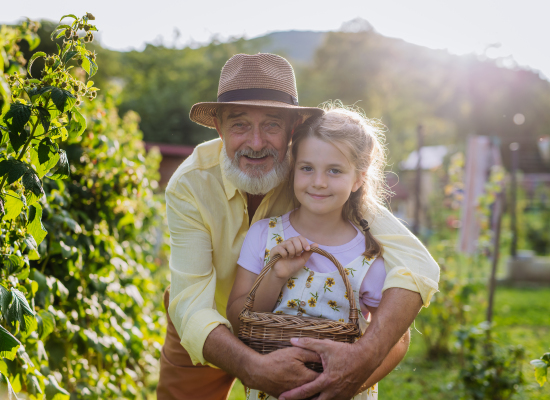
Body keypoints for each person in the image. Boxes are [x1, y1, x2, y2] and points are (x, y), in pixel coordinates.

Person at [158, 53, 439, 400]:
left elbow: (416, 263)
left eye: (272, 125)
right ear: (219, 128)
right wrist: (252, 368)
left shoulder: (314, 171)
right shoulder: (190, 185)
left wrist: (356, 367)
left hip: (292, 334)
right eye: (240, 124)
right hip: (205, 323)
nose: (257, 143)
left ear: (292, 131)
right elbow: (191, 306)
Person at [227, 106, 411, 400]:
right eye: (307, 168)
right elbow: (238, 319)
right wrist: (276, 275)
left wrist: (351, 385)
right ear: (293, 168)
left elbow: (396, 337)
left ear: (358, 179)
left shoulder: (370, 255)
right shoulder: (263, 235)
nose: (319, 182)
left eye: (335, 171)